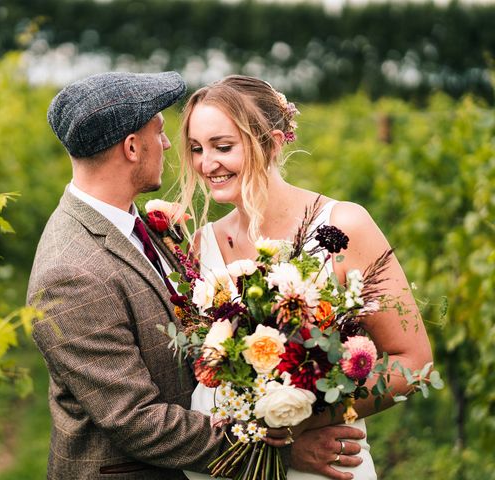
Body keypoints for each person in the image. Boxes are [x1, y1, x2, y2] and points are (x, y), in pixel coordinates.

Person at [177, 75, 434, 480]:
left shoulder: (345, 225)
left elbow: (413, 362)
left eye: (223, 147)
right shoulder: (199, 244)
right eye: (196, 149)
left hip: (321, 466)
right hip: (222, 468)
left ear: (274, 142)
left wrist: (300, 420)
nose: (207, 164)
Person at [27, 71, 233, 479]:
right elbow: (136, 420)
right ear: (133, 147)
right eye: (159, 131)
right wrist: (276, 444)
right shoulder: (70, 273)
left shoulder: (132, 222)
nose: (168, 143)